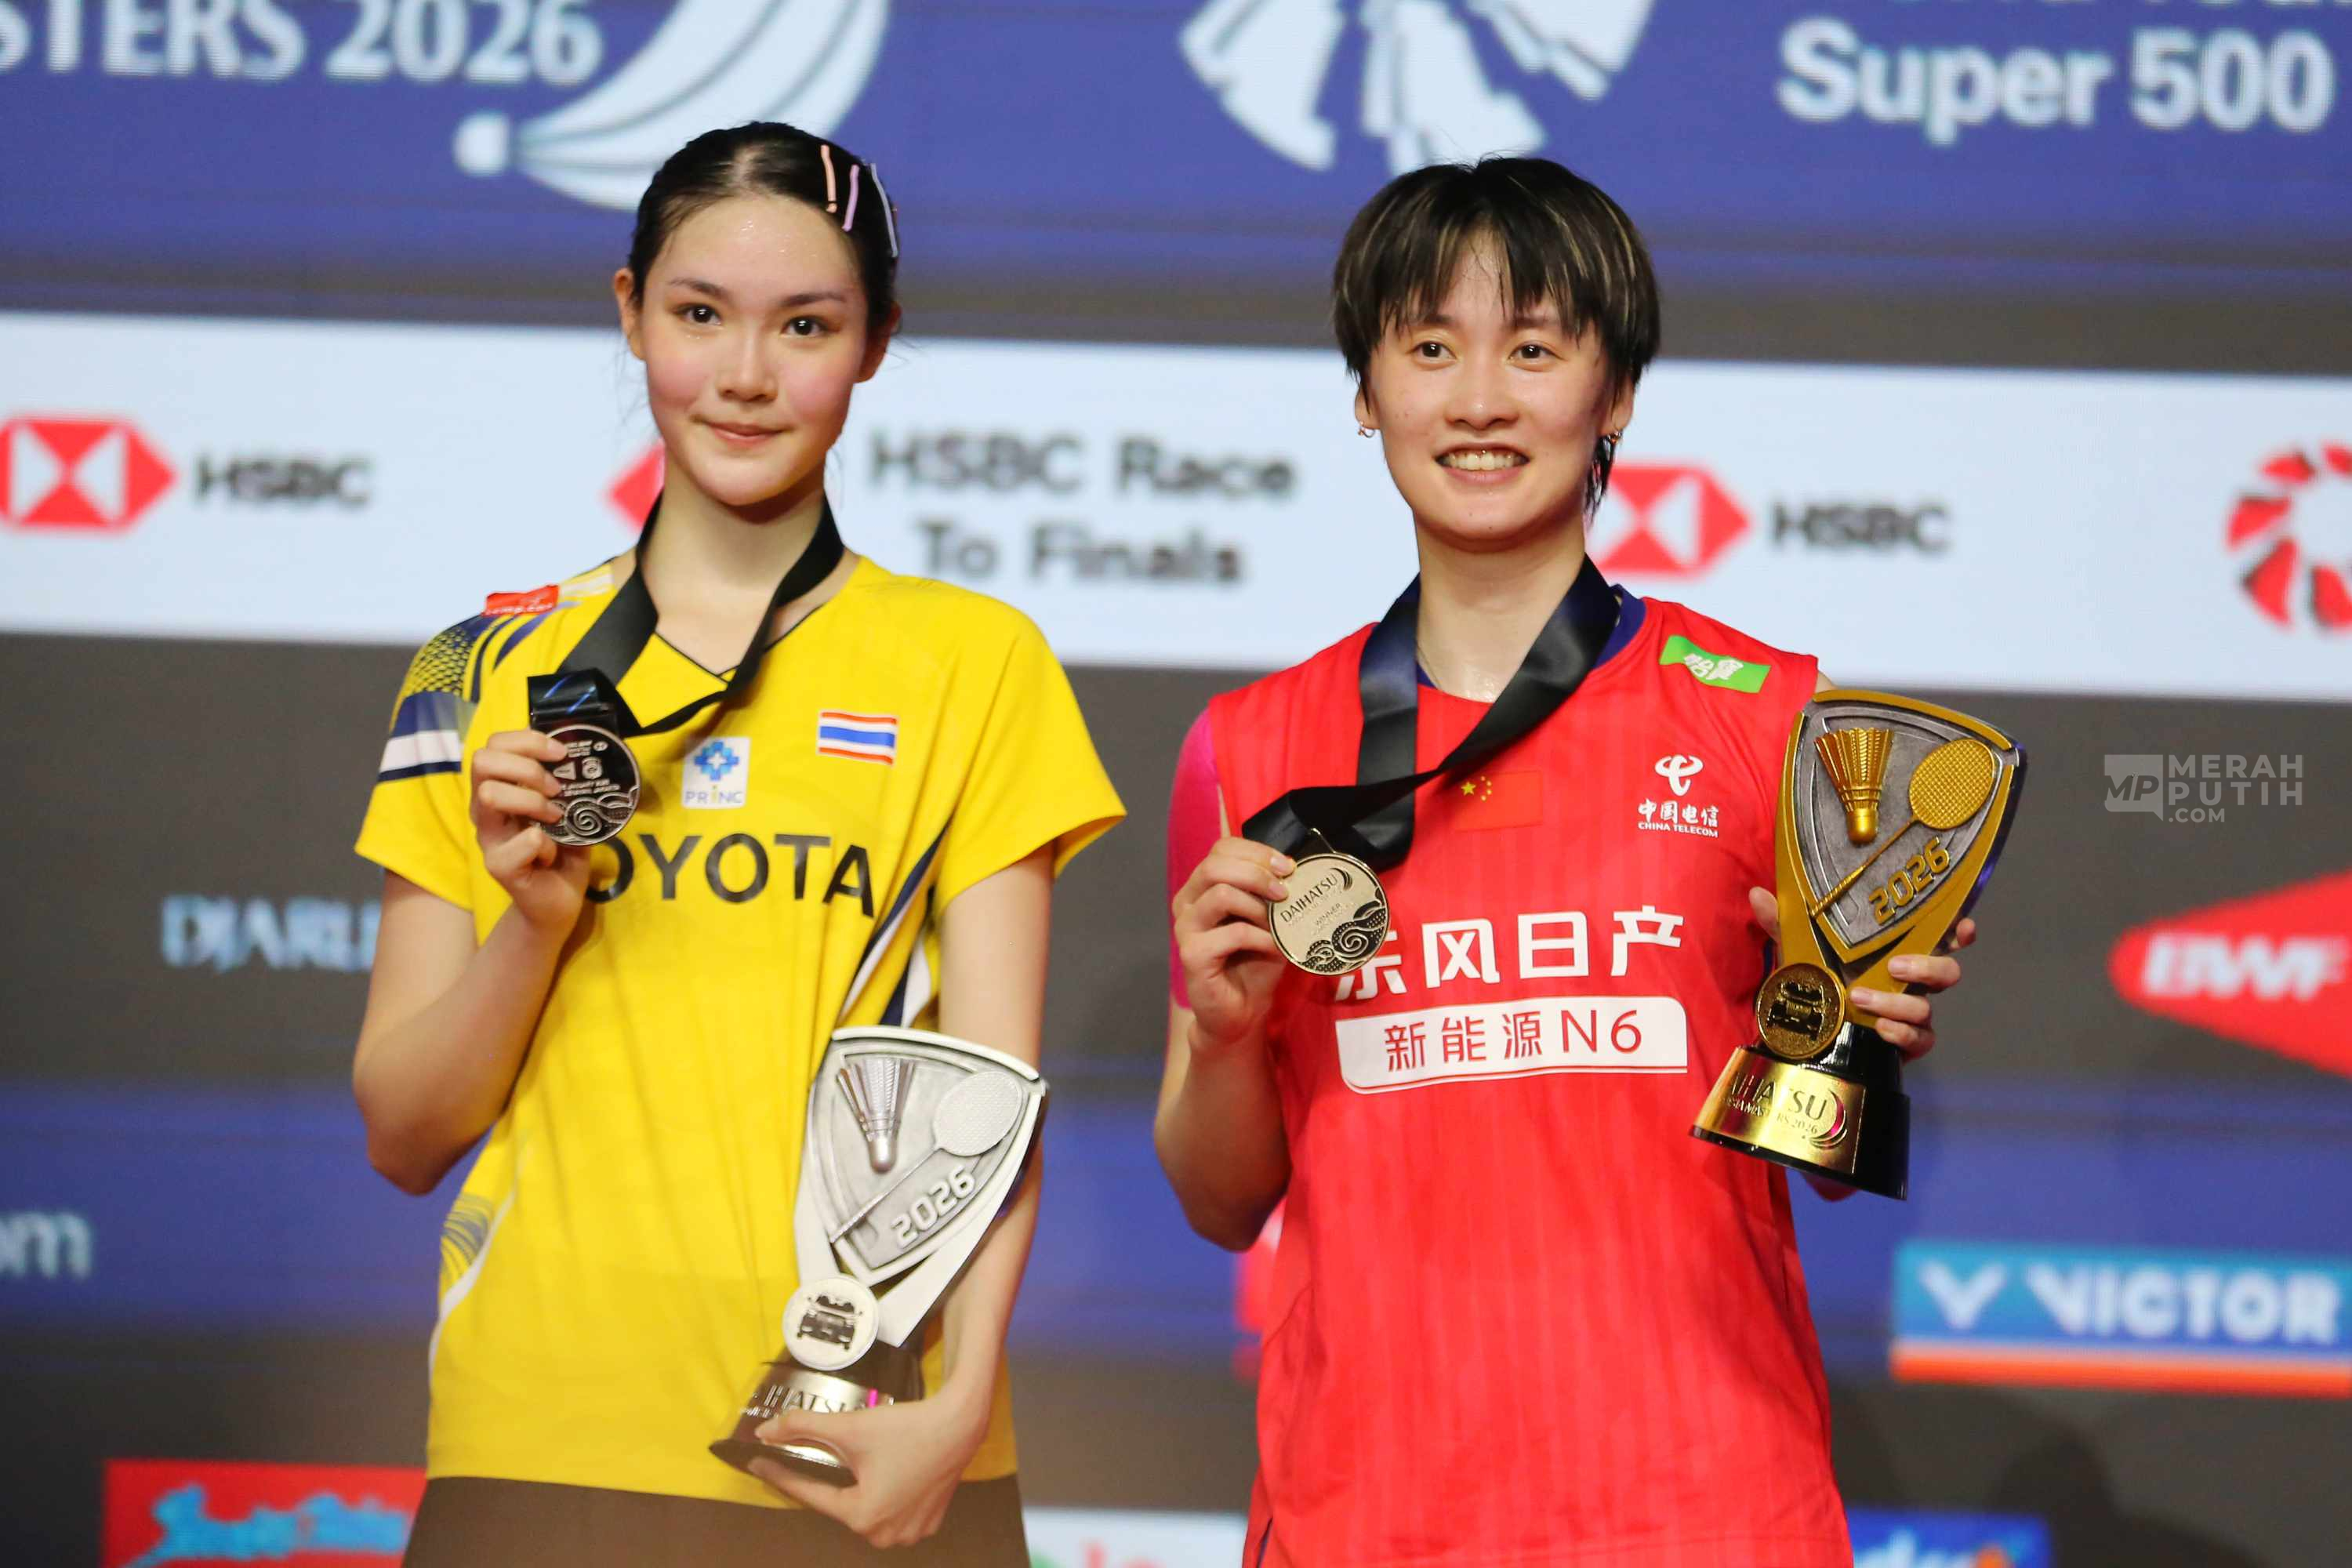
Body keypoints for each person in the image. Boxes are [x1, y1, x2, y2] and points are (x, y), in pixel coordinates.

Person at [1159, 158, 1978, 1567]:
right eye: (1431, 349)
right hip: (1372, 1522)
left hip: (1702, 1515)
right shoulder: (1249, 750)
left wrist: (1850, 1035)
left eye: (1534, 351)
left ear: (1618, 393)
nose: (1480, 400)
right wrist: (1228, 1036)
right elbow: (1222, 1201)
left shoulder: (1772, 721)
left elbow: (1829, 1165)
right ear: (1366, 391)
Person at [353, 122, 1122, 1566]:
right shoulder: (480, 669)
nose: (748, 375)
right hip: (549, 1428)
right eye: (701, 313)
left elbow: (992, 1099)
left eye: (806, 325)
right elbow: (404, 1131)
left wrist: (961, 1406)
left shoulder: (975, 661)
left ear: (875, 342)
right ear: (631, 311)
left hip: (868, 1436)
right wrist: (535, 921)